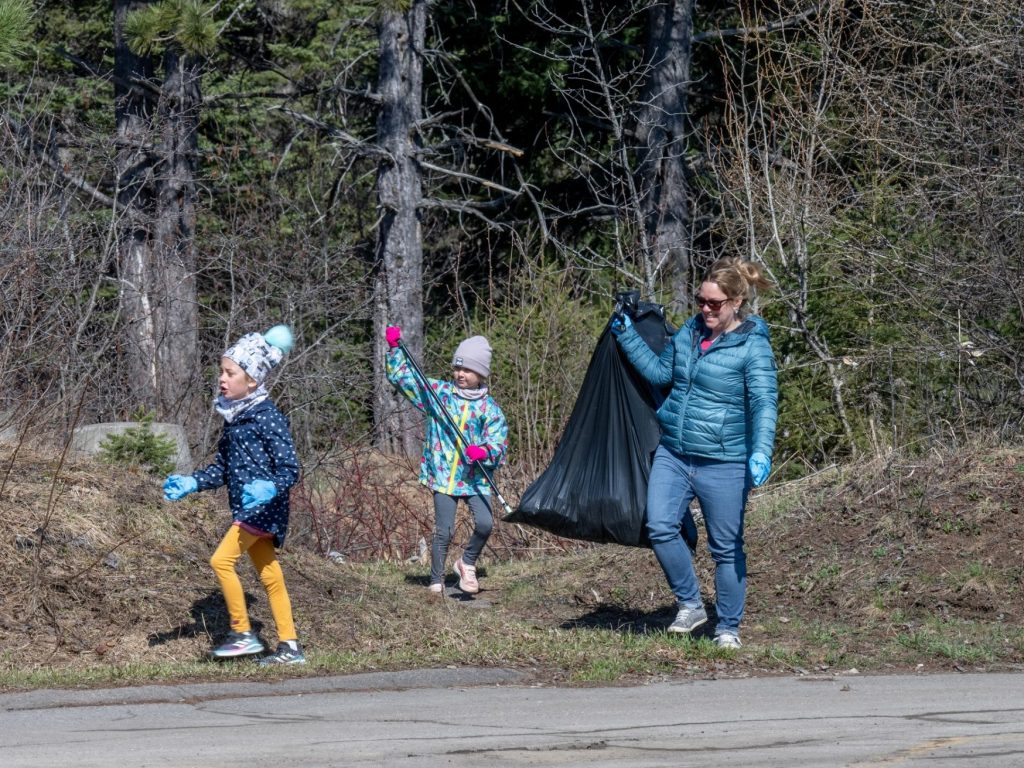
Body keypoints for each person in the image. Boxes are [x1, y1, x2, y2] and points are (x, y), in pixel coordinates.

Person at [612, 257, 778, 649]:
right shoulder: (689, 332)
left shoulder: (753, 347)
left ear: (736, 302)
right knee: (660, 525)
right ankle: (690, 603)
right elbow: (658, 375)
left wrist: (761, 451)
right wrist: (626, 335)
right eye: (701, 301)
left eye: (714, 303)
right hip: (675, 450)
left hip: (724, 460)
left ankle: (728, 629)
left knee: (725, 547)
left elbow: (764, 402)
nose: (705, 309)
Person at [163, 325, 304, 664]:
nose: (222, 379)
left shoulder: (268, 418)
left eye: (230, 373)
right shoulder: (234, 419)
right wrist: (193, 483)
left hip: (263, 510)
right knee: (270, 575)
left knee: (221, 560)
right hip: (246, 509)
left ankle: (242, 632)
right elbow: (222, 470)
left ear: (251, 380)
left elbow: (290, 468)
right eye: (221, 372)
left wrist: (270, 487)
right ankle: (290, 648)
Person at [384, 327, 509, 595]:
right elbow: (403, 379)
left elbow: (498, 444)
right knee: (445, 530)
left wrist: (484, 452)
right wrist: (395, 350)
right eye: (457, 368)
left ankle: (466, 563)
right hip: (444, 474)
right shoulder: (439, 393)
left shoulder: (490, 409)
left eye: (468, 370)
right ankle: (436, 580)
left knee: (486, 523)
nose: (461, 374)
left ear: (481, 375)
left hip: (476, 476)